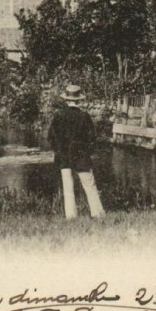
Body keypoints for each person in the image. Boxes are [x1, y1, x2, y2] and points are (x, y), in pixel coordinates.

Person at [47, 85, 105, 219]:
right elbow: (92, 138)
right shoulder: (84, 117)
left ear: (66, 100)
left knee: (68, 189)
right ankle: (98, 214)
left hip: (64, 157)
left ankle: (71, 216)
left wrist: (59, 151)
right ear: (79, 100)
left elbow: (51, 137)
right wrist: (86, 152)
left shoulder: (59, 116)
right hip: (81, 156)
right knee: (90, 186)